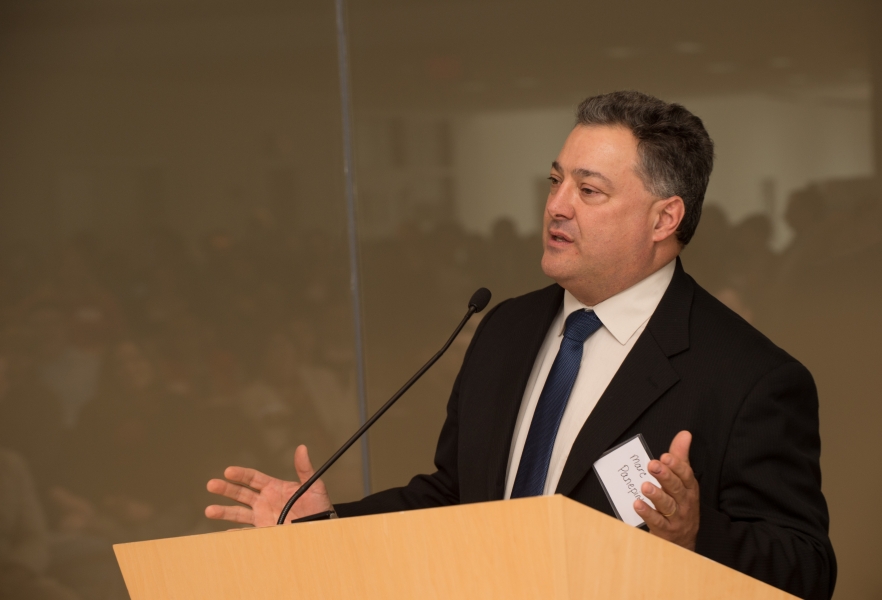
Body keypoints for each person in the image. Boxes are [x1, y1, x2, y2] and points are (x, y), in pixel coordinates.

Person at [206, 91, 836, 600]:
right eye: (555, 181)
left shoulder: (750, 377)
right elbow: (457, 499)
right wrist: (329, 526)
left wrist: (695, 535)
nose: (556, 206)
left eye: (589, 191)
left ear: (664, 219)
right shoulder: (505, 328)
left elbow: (806, 570)